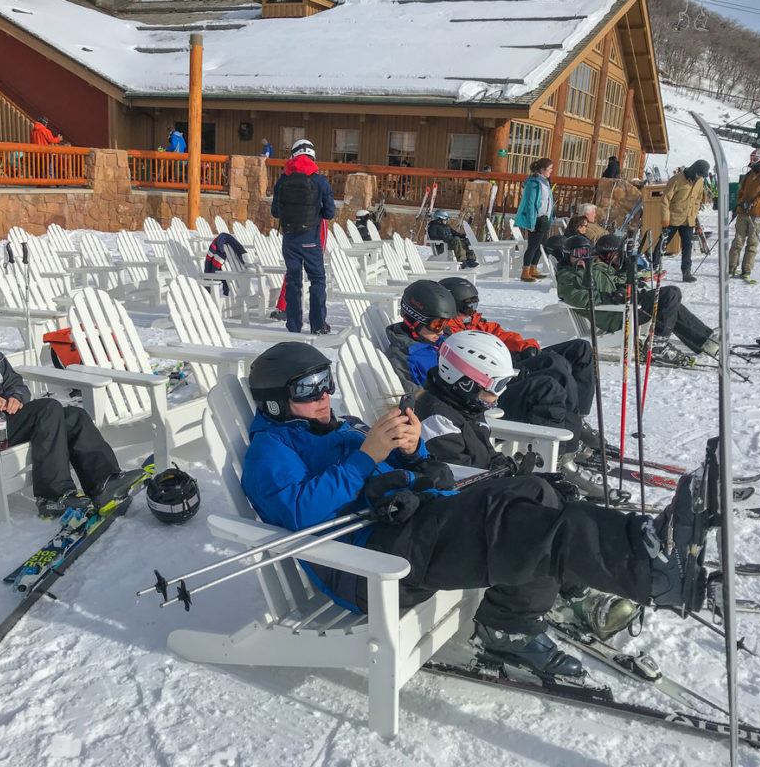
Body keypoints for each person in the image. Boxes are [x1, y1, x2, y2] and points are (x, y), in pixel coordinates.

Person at [241, 341, 714, 678]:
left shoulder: (340, 427)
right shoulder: (268, 454)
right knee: (518, 528)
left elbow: (420, 469)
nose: (323, 395)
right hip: (369, 565)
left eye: (325, 382)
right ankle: (648, 569)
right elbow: (300, 515)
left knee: (534, 493)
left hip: (406, 524)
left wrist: (409, 451)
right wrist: (368, 455)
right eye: (308, 389)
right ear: (277, 404)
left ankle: (637, 547)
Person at [413, 330, 642, 639]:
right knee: (540, 519)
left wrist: (512, 471)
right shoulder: (437, 422)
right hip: (453, 526)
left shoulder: (464, 408)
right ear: (464, 381)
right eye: (495, 386)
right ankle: (513, 622)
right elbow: (453, 483)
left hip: (476, 506)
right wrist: (510, 480)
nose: (499, 395)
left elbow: (478, 463)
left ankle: (576, 585)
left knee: (556, 498)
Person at [0, 299, 148, 521]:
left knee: (74, 416)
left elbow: (15, 382)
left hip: (6, 421)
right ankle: (53, 497)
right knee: (49, 408)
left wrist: (15, 397)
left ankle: (104, 482)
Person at [386, 281, 600, 493]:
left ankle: (574, 431)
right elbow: (416, 397)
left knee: (559, 360)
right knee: (547, 387)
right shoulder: (406, 355)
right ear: (413, 319)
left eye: (445, 325)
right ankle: (563, 456)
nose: (442, 331)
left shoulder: (436, 339)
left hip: (480, 384)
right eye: (436, 325)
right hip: (472, 397)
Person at [439, 275, 597, 447]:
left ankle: (577, 419)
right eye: (467, 307)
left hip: (508, 361)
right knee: (554, 364)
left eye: (474, 305)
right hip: (495, 379)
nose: (472, 311)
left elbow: (500, 334)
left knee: (580, 349)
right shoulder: (448, 332)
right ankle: (570, 440)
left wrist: (524, 347)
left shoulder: (474, 323)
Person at [557, 234, 717, 367]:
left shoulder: (591, 268)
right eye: (577, 254)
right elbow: (581, 298)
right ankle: (657, 345)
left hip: (620, 307)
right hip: (614, 316)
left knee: (668, 300)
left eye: (586, 252)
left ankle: (703, 339)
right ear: (566, 254)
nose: (583, 257)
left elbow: (612, 280)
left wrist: (628, 279)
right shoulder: (568, 277)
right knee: (670, 295)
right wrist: (612, 298)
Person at [271, 138, 336, 335]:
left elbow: (275, 212)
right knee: (317, 280)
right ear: (312, 156)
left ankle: (293, 325)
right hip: (311, 239)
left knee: (293, 280)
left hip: (289, 239)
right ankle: (317, 325)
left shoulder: (282, 181)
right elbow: (330, 213)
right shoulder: (320, 181)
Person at [728, 149, 760, 282]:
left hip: (757, 213)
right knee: (738, 240)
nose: (752, 161)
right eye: (751, 158)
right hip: (743, 212)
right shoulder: (750, 174)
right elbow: (741, 191)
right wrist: (739, 204)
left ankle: (746, 268)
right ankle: (731, 266)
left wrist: (753, 203)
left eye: (755, 159)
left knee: (752, 242)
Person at [658, 159, 710, 282]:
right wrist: (665, 219)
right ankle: (653, 266)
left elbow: (698, 198)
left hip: (688, 220)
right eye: (698, 174)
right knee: (662, 244)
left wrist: (694, 212)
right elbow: (665, 200)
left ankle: (686, 272)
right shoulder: (677, 179)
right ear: (693, 170)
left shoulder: (700, 181)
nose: (699, 177)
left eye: (701, 176)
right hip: (673, 219)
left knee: (687, 246)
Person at [514, 158, 553, 282]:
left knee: (542, 244)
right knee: (533, 246)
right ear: (542, 169)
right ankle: (525, 271)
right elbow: (530, 204)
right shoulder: (533, 183)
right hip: (536, 219)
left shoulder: (546, 182)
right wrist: (530, 223)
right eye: (550, 169)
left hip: (544, 218)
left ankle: (533, 268)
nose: (551, 171)